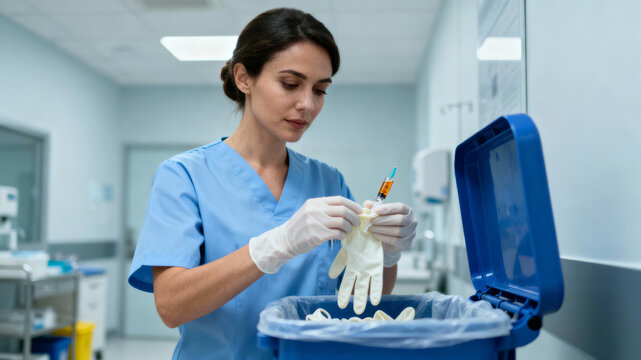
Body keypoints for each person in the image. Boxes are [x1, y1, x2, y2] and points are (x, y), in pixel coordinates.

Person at [128, 7, 417, 360]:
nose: (307, 104)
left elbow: (362, 301)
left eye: (320, 90)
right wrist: (272, 247)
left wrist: (385, 255)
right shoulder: (185, 175)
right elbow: (171, 306)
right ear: (244, 78)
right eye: (291, 84)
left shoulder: (328, 180)